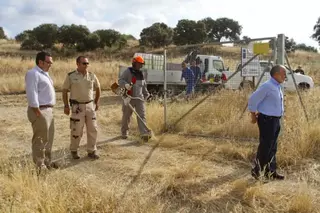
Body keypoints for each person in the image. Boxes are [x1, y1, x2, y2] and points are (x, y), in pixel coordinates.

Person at [248, 64, 286, 180]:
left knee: (273, 147)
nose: (285, 76)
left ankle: (270, 171)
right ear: (276, 74)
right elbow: (253, 99)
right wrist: (253, 116)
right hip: (267, 121)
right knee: (265, 147)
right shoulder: (267, 86)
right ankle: (257, 172)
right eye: (284, 74)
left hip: (275, 120)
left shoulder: (277, 86)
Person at [62, 56, 101, 160]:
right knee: (76, 130)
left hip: (90, 106)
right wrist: (66, 105)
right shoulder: (71, 76)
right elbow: (64, 91)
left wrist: (96, 102)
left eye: (87, 63)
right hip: (77, 107)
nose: (86, 65)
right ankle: (74, 150)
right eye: (84, 63)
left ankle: (91, 151)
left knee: (93, 129)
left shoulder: (92, 76)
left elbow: (98, 88)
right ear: (77, 64)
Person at [25, 51, 57, 171]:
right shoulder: (33, 74)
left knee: (49, 139)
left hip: (48, 110)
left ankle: (47, 162)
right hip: (40, 110)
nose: (50, 64)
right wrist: (37, 112)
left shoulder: (44, 74)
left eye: (51, 62)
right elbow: (31, 93)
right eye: (48, 62)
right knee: (40, 140)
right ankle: (40, 166)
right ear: (40, 62)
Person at [118, 55, 152, 141]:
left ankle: (144, 133)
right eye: (139, 64)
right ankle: (124, 132)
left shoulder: (141, 73)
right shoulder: (128, 71)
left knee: (142, 116)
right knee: (126, 116)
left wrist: (146, 94)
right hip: (129, 98)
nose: (141, 65)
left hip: (139, 99)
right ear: (134, 63)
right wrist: (125, 85)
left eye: (142, 64)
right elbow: (120, 80)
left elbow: (143, 86)